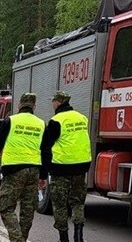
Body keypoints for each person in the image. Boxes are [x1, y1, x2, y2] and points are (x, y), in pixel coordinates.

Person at [0, 93, 46, 242]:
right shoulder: (41, 123)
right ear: (34, 106)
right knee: (28, 210)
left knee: (6, 207)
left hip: (14, 169)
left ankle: (18, 240)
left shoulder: (11, 120)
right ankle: (22, 237)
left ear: (19, 105)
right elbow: (46, 150)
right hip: (34, 169)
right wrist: (43, 176)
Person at [41, 91, 92, 242]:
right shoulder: (82, 118)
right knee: (77, 202)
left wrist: (45, 168)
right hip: (81, 167)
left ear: (58, 102)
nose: (52, 104)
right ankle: (79, 236)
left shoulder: (56, 120)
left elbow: (47, 145)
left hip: (61, 168)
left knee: (60, 204)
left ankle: (63, 238)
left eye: (53, 101)